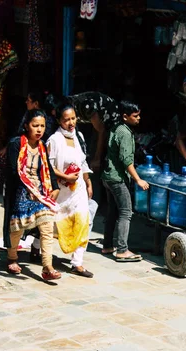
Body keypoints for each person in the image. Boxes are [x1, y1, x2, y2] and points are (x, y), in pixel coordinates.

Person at [3, 109, 61, 281]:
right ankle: (12, 257)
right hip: (20, 192)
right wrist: (29, 189)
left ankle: (47, 266)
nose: (39, 130)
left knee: (47, 227)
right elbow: (14, 171)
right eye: (35, 125)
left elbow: (48, 170)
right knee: (17, 227)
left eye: (42, 126)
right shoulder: (16, 144)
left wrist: (55, 188)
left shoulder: (42, 146)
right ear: (26, 125)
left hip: (40, 193)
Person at [46, 104, 94, 278]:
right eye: (67, 120)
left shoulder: (79, 136)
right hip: (61, 192)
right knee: (53, 225)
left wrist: (88, 183)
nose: (71, 122)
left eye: (73, 118)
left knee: (83, 221)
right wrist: (65, 178)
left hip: (78, 190)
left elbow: (83, 163)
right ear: (59, 120)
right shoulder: (54, 140)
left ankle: (77, 263)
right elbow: (48, 167)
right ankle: (37, 248)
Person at [101, 101, 148, 262]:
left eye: (139, 115)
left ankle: (107, 245)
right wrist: (138, 180)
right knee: (126, 212)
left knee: (113, 211)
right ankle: (122, 250)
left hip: (108, 176)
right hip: (117, 179)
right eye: (135, 116)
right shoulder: (125, 134)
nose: (138, 118)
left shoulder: (117, 128)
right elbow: (126, 160)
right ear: (125, 116)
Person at [64, 92, 121, 172]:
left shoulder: (85, 105)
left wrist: (97, 158)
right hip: (96, 122)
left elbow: (101, 131)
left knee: (106, 154)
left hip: (110, 119)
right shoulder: (66, 108)